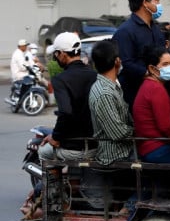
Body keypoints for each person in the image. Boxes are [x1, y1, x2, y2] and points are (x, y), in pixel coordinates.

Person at [39, 33, 97, 161]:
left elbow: (65, 112)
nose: (56, 58)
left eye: (56, 54)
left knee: (43, 152)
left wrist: (55, 137)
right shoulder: (94, 75)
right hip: (96, 146)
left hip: (74, 149)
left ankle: (52, 181)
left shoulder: (60, 80)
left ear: (62, 54)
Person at [113, 0, 166, 108]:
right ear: (145, 2)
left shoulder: (156, 29)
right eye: (156, 1)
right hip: (135, 95)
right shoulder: (126, 31)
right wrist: (152, 74)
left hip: (159, 91)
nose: (159, 5)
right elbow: (127, 63)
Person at [133, 46, 170, 163]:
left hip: (154, 146)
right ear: (152, 68)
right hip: (156, 148)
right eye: (165, 64)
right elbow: (167, 128)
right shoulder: (155, 89)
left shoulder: (152, 85)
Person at [89, 40, 134, 166]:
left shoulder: (112, 86)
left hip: (124, 151)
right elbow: (118, 132)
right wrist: (141, 130)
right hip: (117, 155)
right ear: (117, 61)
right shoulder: (105, 93)